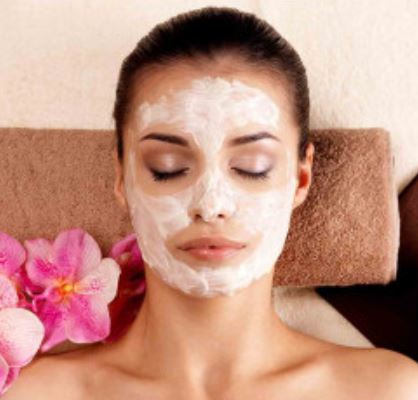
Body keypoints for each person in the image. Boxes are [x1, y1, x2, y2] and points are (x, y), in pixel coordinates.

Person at [5, 6, 418, 399]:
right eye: (167, 168)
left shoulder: (388, 391)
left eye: (252, 167)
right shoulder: (40, 394)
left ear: (301, 179)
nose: (211, 204)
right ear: (122, 177)